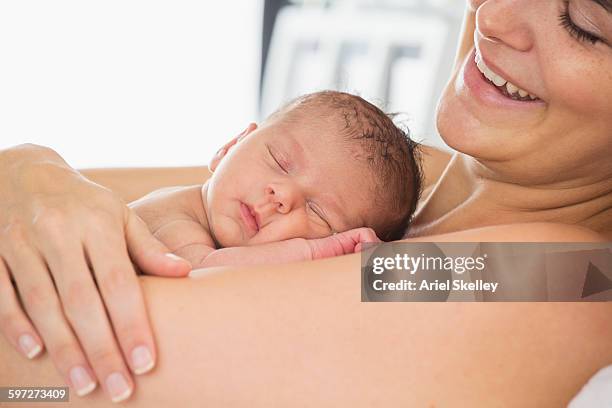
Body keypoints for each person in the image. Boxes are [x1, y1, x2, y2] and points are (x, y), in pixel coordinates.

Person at [1, 0, 611, 406]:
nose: (494, 13)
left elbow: (42, 371)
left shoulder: (560, 275)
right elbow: (152, 199)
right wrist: (28, 170)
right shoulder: (402, 175)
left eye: (585, 21)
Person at [130, 90, 420, 270]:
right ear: (232, 144)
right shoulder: (176, 220)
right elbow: (205, 273)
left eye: (317, 212)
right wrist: (316, 251)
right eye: (279, 160)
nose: (281, 195)